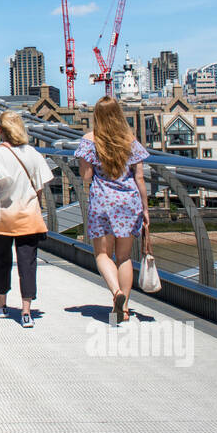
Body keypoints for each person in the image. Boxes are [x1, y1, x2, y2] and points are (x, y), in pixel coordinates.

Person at [75, 96, 150, 324]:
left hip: (103, 202)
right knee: (124, 256)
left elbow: (87, 177)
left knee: (102, 255)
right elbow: (139, 178)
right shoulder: (131, 141)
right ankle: (124, 309)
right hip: (129, 201)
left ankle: (116, 292)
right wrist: (145, 210)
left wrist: (83, 165)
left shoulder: (89, 141)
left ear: (96, 116)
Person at [0, 110, 53, 328]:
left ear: (0, 130)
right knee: (27, 263)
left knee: (1, 260)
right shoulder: (33, 153)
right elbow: (39, 186)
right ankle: (26, 312)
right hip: (28, 214)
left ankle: (1, 306)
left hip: (1, 212)